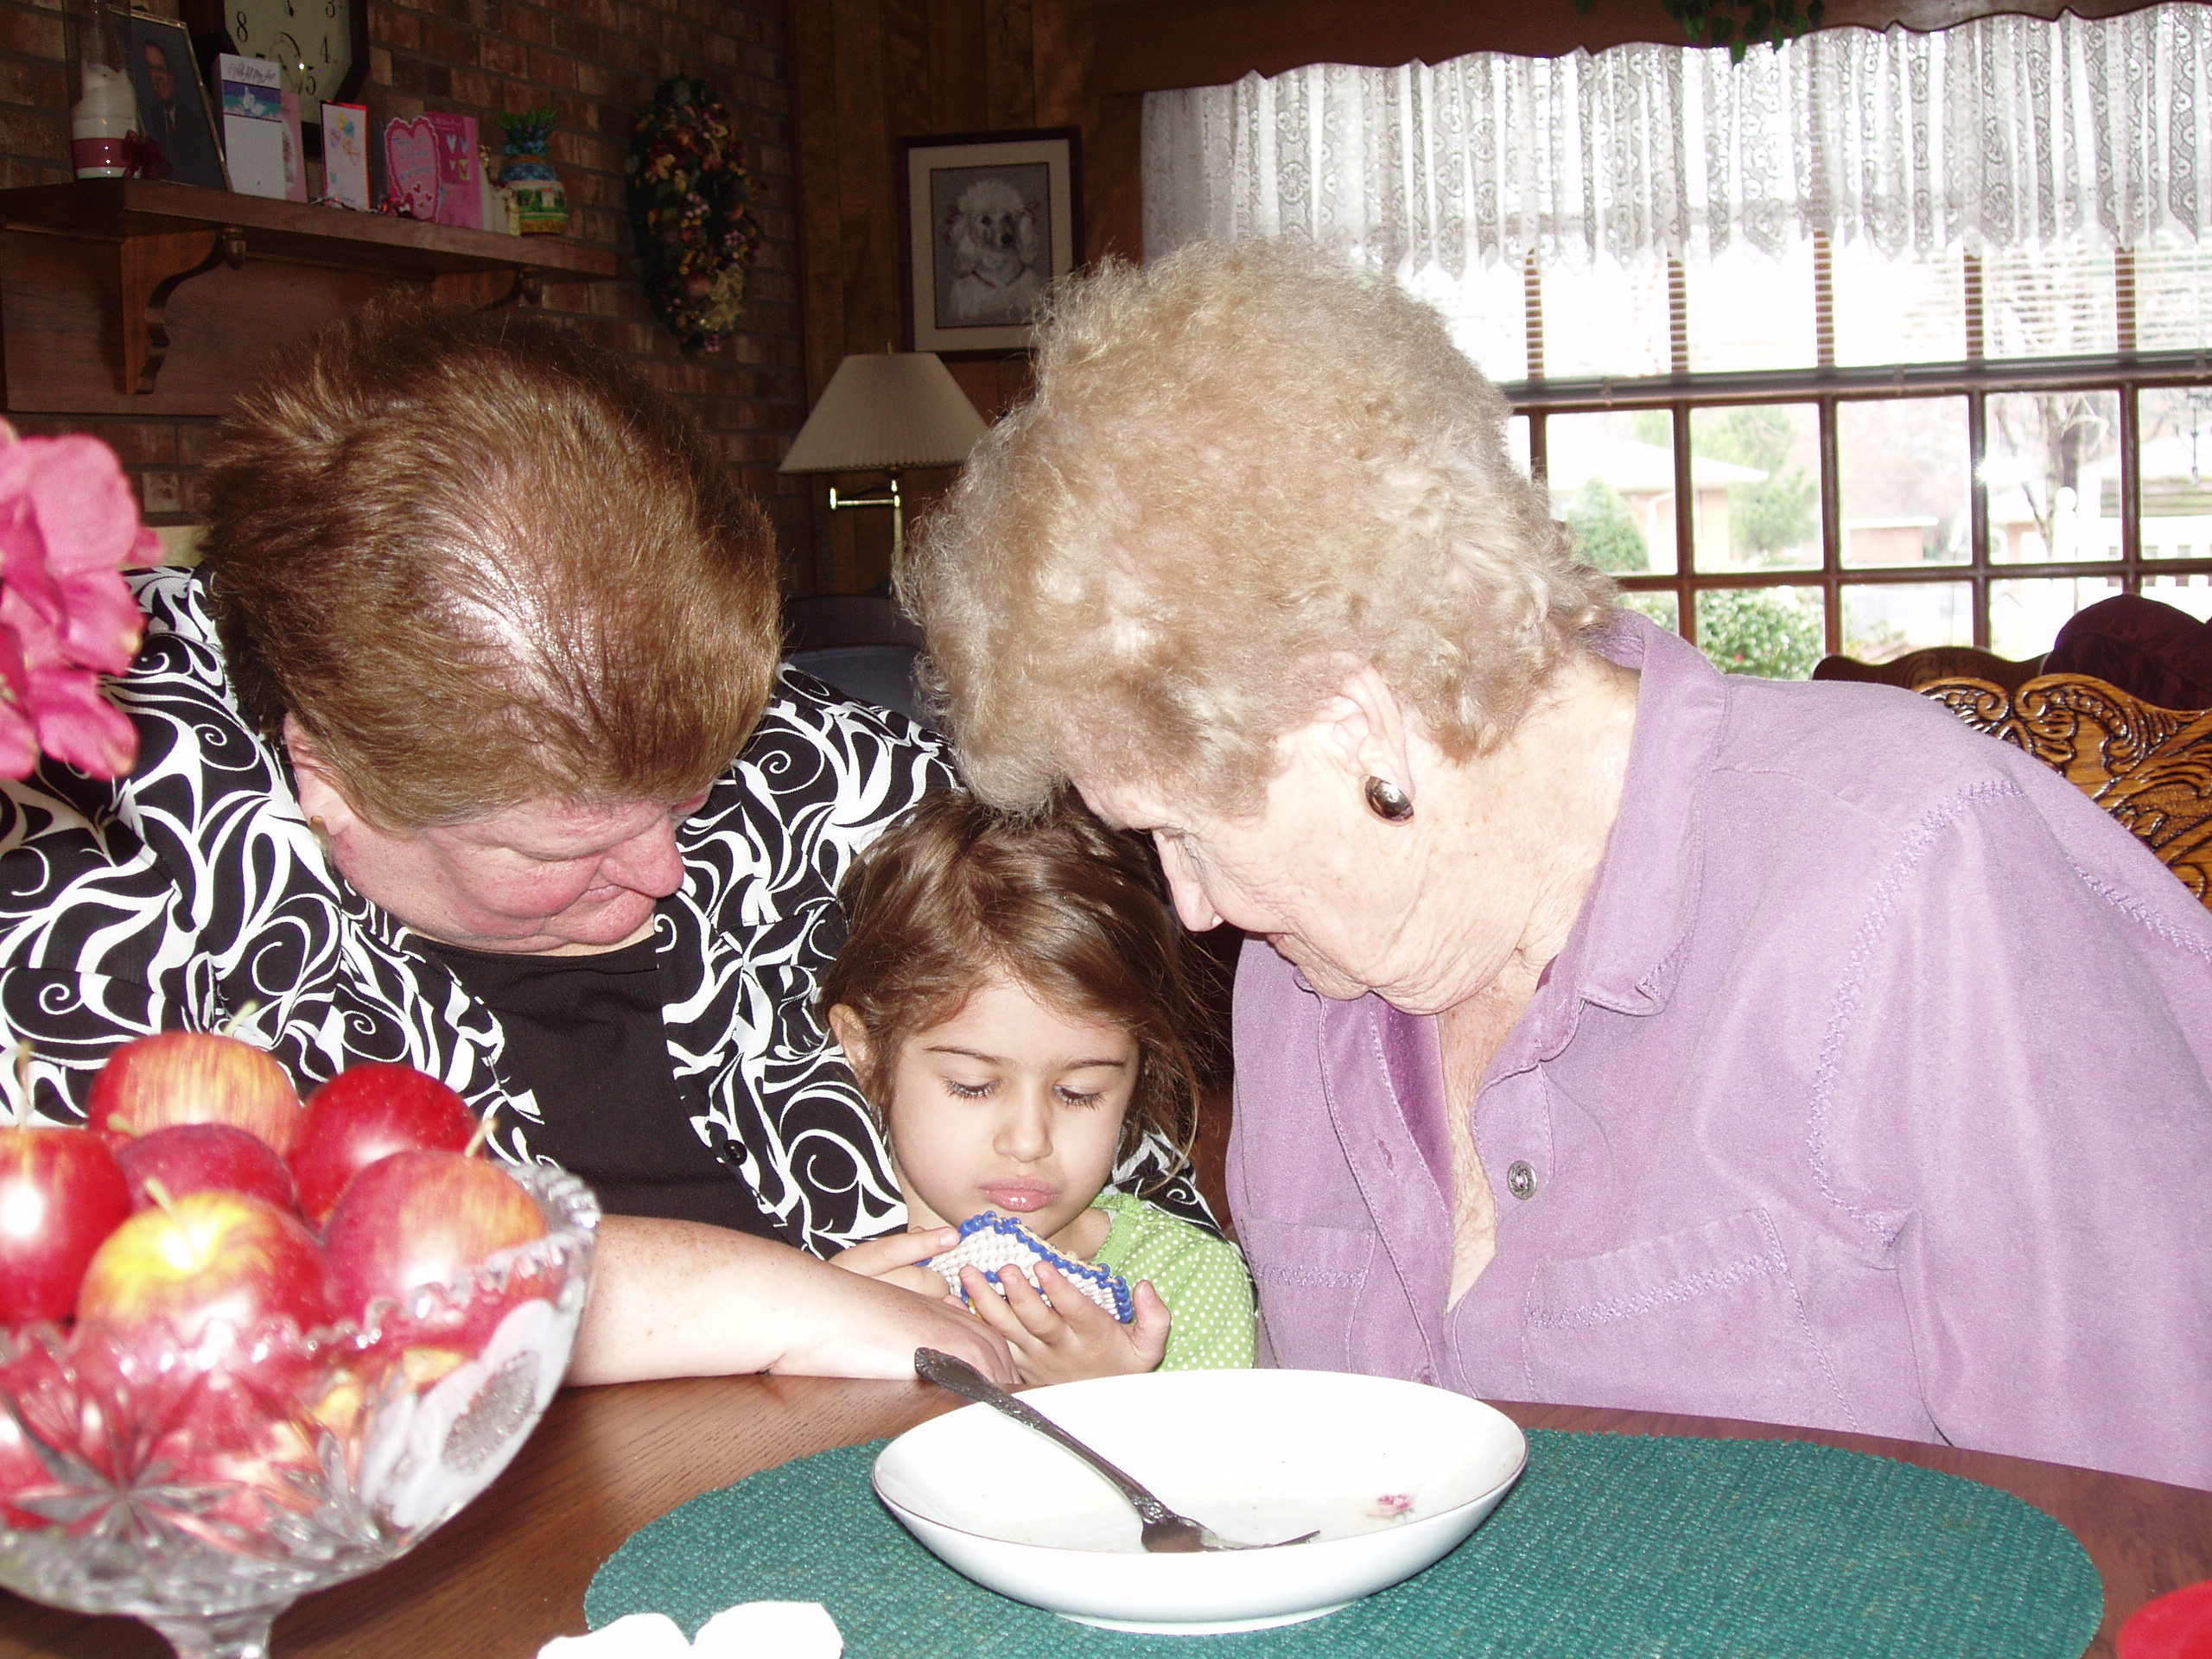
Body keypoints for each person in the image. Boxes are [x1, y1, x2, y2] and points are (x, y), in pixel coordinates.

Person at [903, 239, 2212, 1490]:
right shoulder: (1304, 986)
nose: (1195, 908)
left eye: (1187, 830)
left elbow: (2147, 1523)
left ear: (1357, 718)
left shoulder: (1910, 876)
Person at [0, 303, 1182, 1388]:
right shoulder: (100, 838)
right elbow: (145, 1316)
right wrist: (784, 1303)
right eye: (558, 850)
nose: (667, 871)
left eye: (688, 796)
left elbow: (1149, 1189)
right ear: (328, 770)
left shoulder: (843, 788)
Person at [820, 791, 1255, 1382]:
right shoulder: (817, 1258)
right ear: (867, 1052)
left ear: (1137, 1076)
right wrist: (809, 1336)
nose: (1029, 1141)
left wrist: (1105, 1397)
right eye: (974, 1086)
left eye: (1079, 1093)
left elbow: (1223, 1446)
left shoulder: (1185, 1282)